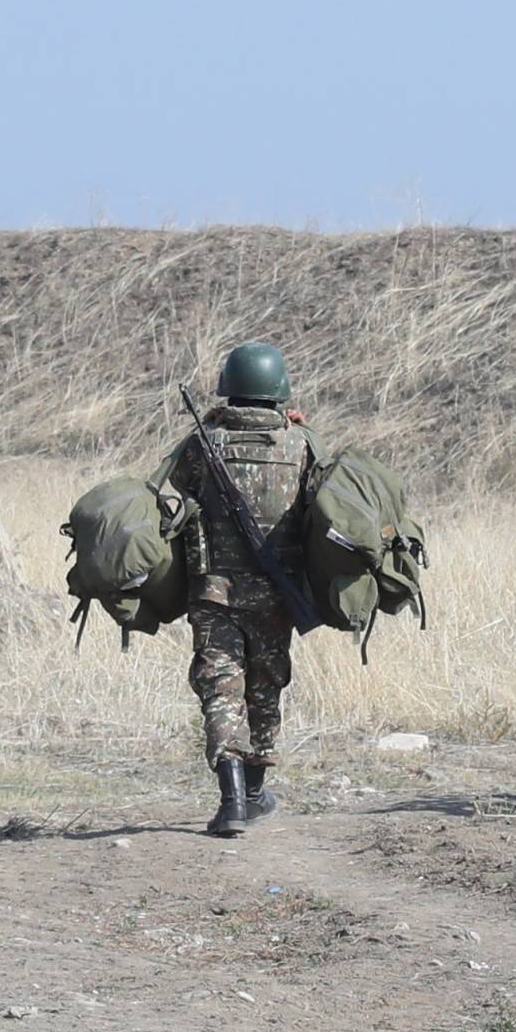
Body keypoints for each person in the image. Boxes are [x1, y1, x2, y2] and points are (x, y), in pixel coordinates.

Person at [164, 342, 322, 838]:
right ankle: (254, 794)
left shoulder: (202, 442)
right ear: (278, 390)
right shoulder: (300, 444)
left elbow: (176, 493)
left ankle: (231, 802)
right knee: (265, 687)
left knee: (221, 690)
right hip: (278, 594)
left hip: (213, 594)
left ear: (229, 387)